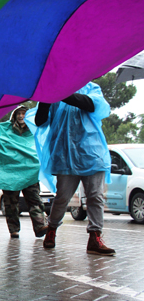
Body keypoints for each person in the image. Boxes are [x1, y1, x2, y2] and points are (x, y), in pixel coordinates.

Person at [33, 83, 114, 255]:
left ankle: (95, 237)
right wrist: (46, 98)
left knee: (95, 196)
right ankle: (52, 230)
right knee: (62, 197)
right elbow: (40, 120)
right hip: (64, 155)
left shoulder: (92, 88)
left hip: (91, 153)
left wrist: (59, 91)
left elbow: (92, 105)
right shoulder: (52, 93)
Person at [0, 105, 48, 238]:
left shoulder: (34, 130)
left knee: (34, 200)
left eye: (24, 113)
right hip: (10, 174)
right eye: (18, 113)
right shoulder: (4, 129)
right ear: (14, 115)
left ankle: (40, 226)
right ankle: (14, 229)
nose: (21, 116)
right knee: (11, 203)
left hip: (29, 174)